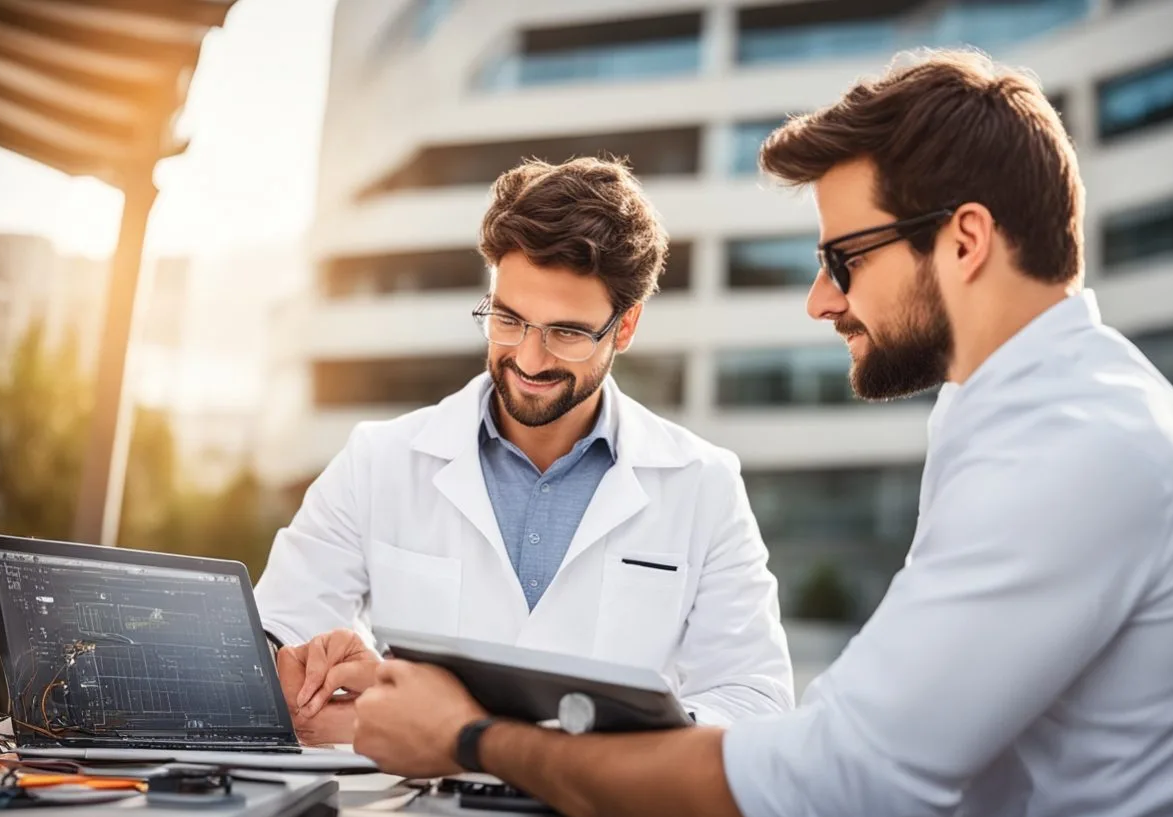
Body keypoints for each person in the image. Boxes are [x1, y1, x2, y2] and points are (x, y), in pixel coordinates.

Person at [347, 50, 1173, 817]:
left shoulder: (1070, 449)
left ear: (964, 241)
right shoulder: (1022, 415)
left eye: (845, 258)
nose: (820, 300)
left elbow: (835, 784)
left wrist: (473, 738)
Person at [255, 157, 795, 745]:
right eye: (508, 320)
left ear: (625, 326)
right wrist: (315, 677)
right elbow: (275, 636)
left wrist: (490, 736)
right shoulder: (377, 461)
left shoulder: (703, 483)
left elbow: (755, 697)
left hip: (597, 797)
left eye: (567, 332)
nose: (530, 360)